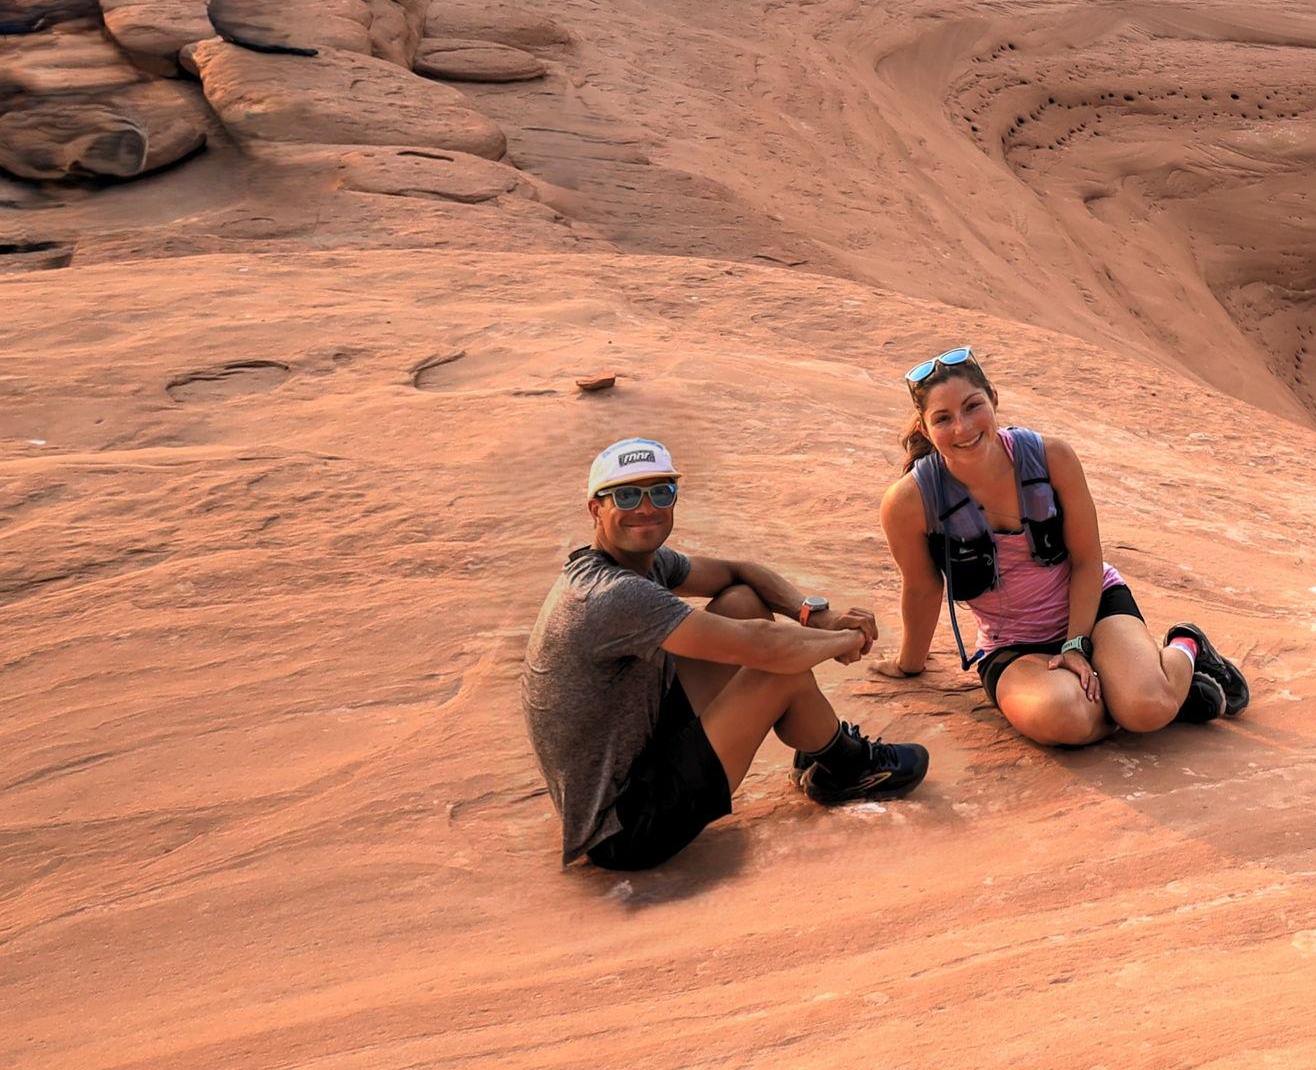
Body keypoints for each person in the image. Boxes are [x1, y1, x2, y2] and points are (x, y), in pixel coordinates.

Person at [524, 436, 928, 871]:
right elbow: (764, 647)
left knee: (740, 601)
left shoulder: (639, 564)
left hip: (641, 753)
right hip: (627, 829)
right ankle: (846, 765)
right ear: (595, 509)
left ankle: (819, 749)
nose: (646, 507)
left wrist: (815, 616)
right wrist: (847, 641)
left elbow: (740, 573)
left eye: (660, 492)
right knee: (778, 670)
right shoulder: (612, 594)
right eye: (626, 496)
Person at [875, 348, 1250, 745]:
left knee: (1148, 707)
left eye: (972, 407)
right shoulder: (909, 502)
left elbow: (1088, 560)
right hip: (1013, 645)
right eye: (943, 418)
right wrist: (909, 664)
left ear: (994, 399)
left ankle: (1186, 647)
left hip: (1093, 608)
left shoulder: (1051, 457)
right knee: (1064, 717)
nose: (963, 428)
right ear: (924, 429)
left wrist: (1075, 644)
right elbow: (922, 587)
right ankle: (1128, 691)